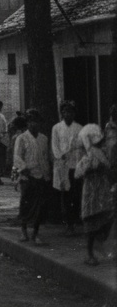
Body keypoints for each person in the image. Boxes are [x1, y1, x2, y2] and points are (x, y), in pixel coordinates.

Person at [73, 124, 113, 266]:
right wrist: (89, 170)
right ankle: (89, 253)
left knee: (105, 217)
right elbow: (77, 173)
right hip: (91, 192)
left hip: (101, 191)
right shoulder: (89, 155)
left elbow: (108, 168)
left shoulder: (101, 153)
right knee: (91, 221)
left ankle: (98, 244)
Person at [13, 110, 51, 245]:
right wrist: (24, 168)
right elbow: (17, 156)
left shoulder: (44, 138)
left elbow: (46, 157)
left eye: (36, 121)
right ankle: (23, 230)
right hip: (27, 176)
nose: (33, 124)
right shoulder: (22, 138)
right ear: (27, 123)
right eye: (30, 121)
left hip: (41, 175)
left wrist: (47, 174)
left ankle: (35, 233)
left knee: (39, 206)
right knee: (26, 203)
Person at [51, 100, 84, 236]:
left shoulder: (79, 128)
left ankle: (74, 223)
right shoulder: (57, 128)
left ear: (74, 113)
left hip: (75, 165)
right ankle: (67, 224)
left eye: (70, 111)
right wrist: (60, 156)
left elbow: (82, 147)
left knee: (75, 195)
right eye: (65, 111)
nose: (67, 114)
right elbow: (55, 146)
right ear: (62, 113)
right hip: (62, 165)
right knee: (65, 195)